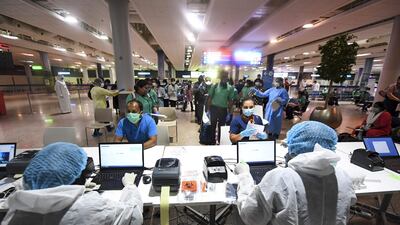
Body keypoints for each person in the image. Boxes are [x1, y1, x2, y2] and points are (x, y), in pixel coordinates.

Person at [234, 121, 356, 225]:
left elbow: (251, 217)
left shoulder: (280, 177)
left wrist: (244, 176)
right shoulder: (343, 175)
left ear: (295, 148)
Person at [2, 142, 143, 225]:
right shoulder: (91, 207)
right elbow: (134, 216)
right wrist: (130, 186)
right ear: (76, 176)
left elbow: (34, 179)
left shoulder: (14, 207)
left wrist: (73, 189)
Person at [207, 71, 235, 144]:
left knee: (221, 126)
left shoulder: (230, 88)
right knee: (212, 125)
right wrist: (207, 110)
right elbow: (210, 98)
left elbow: (230, 101)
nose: (224, 79)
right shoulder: (215, 86)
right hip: (214, 108)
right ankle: (211, 140)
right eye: (223, 77)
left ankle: (220, 141)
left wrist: (229, 112)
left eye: (226, 77)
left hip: (223, 110)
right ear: (221, 78)